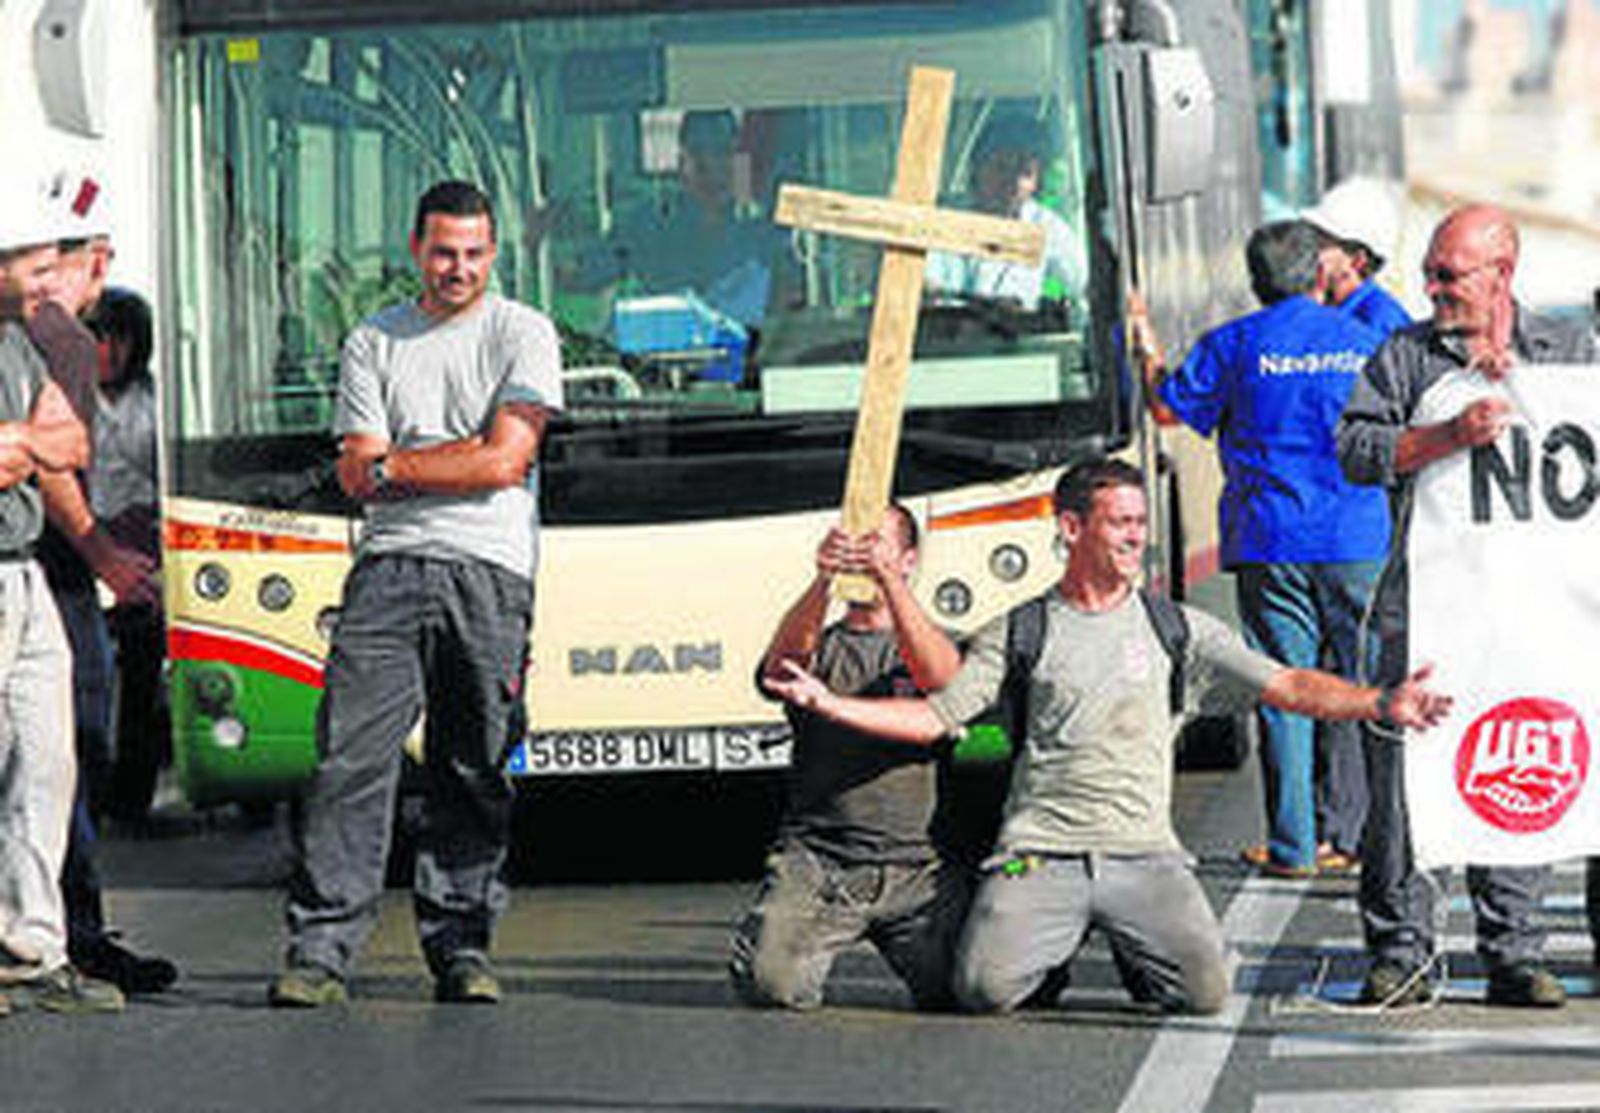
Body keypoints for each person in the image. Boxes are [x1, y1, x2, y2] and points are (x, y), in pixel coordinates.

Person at [764, 458, 1451, 1016]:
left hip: (1144, 856)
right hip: (1042, 854)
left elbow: (1290, 686)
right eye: (1119, 522)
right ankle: (1055, 939)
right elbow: (937, 716)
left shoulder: (1176, 628)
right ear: (1071, 526)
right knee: (980, 990)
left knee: (1207, 995)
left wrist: (1381, 701)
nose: (1135, 538)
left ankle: (1140, 944)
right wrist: (831, 703)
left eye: (1140, 523)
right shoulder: (1023, 627)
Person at [271, 180, 563, 1008]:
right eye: (443, 253)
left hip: (491, 573)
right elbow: (359, 473)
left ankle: (462, 946)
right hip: (388, 572)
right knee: (349, 763)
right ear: (415, 251)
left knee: (472, 765)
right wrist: (440, 460)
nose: (457, 269)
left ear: (493, 255)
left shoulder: (523, 331)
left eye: (473, 254)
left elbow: (506, 462)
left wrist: (403, 463)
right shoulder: (374, 339)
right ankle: (320, 952)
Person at [1336, 203, 1595, 1008]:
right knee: (1406, 786)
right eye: (1432, 273)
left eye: (1451, 275)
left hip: (1539, 606)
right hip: (1428, 609)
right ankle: (1401, 949)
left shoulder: (1572, 351)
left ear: (1503, 275)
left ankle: (1514, 952)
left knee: (1529, 760)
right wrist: (1449, 435)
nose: (1435, 288)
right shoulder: (1405, 356)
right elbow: (1356, 450)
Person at [1131, 221, 1389, 879]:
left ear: (1255, 279)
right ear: (1317, 273)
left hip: (1270, 537)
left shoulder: (1234, 343)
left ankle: (1295, 845)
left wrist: (1146, 349)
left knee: (1283, 685)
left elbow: (1169, 409)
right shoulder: (1365, 343)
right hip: (1358, 536)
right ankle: (1373, 838)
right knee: (1369, 689)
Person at [729, 507, 968, 1011]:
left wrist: (890, 584)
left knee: (974, 988)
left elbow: (946, 686)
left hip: (922, 870)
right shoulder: (822, 641)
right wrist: (822, 580)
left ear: (908, 558)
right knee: (772, 987)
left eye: (877, 544)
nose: (863, 554)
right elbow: (782, 668)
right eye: (854, 543)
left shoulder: (948, 642)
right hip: (823, 863)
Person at [0, 180, 124, 1014]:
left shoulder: (26, 344)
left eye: (56, 266)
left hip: (21, 564)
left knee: (46, 764)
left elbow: (64, 444)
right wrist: (21, 442)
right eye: (34, 266)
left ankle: (28, 950)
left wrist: (19, 443)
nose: (50, 282)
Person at [86, 288, 167, 825]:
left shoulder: (155, 401)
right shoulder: (66, 396)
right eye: (99, 339)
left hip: (142, 545)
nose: (109, 352)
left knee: (141, 676)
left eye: (121, 341)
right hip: (84, 542)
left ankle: (132, 795)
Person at [925, 113, 1084, 313]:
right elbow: (927, 288)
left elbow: (1085, 284)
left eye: (1025, 173)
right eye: (1002, 167)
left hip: (1015, 341)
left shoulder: (1046, 228)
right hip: (943, 342)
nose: (1013, 183)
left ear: (1037, 183)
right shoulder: (941, 219)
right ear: (977, 167)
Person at [1301, 177, 1413, 339]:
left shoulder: (1381, 322)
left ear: (1358, 261)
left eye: (1323, 244)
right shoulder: (1327, 308)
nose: (1312, 251)